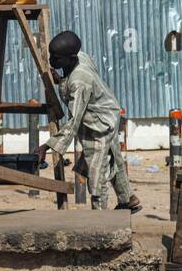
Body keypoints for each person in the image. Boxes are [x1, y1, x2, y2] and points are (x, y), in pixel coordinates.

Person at [36, 31, 140, 212]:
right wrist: (60, 79)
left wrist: (46, 146)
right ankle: (127, 198)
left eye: (56, 58)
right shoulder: (81, 58)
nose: (52, 61)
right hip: (108, 115)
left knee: (96, 170)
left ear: (70, 57)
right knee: (112, 157)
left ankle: (99, 221)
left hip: (99, 125)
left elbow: (73, 122)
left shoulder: (79, 82)